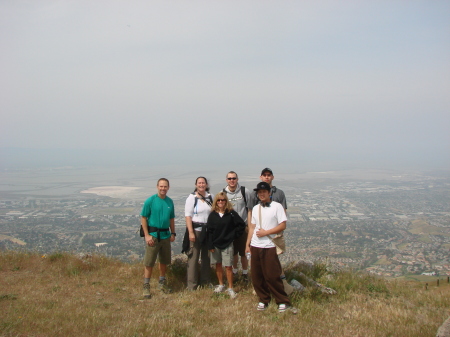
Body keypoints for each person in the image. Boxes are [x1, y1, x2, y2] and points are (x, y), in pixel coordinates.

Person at [245, 182, 297, 313]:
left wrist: (266, 233)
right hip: (256, 245)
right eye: (259, 192)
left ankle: (282, 301)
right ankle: (263, 299)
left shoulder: (277, 206)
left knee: (272, 275)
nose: (261, 194)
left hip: (269, 245)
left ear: (269, 193)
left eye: (264, 191)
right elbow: (252, 227)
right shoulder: (256, 208)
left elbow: (282, 225)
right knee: (257, 276)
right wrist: (248, 244)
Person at [141, 178, 176, 299]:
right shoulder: (150, 201)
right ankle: (146, 285)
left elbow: (171, 219)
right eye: (161, 186)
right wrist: (147, 235)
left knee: (164, 261)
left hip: (166, 235)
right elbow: (143, 218)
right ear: (157, 187)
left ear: (168, 188)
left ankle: (161, 283)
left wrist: (173, 233)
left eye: (165, 186)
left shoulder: (170, 202)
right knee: (149, 262)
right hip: (153, 236)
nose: (163, 189)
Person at [207, 192, 245, 299]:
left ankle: (230, 287)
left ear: (226, 201)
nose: (220, 202)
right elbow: (209, 231)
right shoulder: (212, 215)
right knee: (218, 265)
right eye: (218, 200)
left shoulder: (231, 213)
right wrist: (210, 244)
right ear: (216, 202)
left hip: (227, 244)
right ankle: (221, 284)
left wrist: (233, 235)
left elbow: (241, 225)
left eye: (223, 200)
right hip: (215, 244)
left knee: (228, 266)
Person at [183, 176, 213, 290]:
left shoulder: (211, 197)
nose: (201, 185)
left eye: (203, 183)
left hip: (207, 231)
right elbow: (188, 216)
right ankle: (192, 285)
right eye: (199, 183)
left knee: (206, 257)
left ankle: (206, 281)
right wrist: (190, 232)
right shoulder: (192, 198)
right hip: (195, 230)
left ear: (206, 184)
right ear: (196, 184)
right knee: (193, 258)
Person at [222, 171, 251, 282]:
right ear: (226, 180)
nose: (232, 180)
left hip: (243, 227)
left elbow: (249, 209)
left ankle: (244, 274)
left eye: (234, 178)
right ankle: (234, 272)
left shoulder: (244, 191)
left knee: (243, 252)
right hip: (230, 228)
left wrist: (249, 225)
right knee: (232, 252)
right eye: (229, 178)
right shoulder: (223, 193)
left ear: (237, 179)